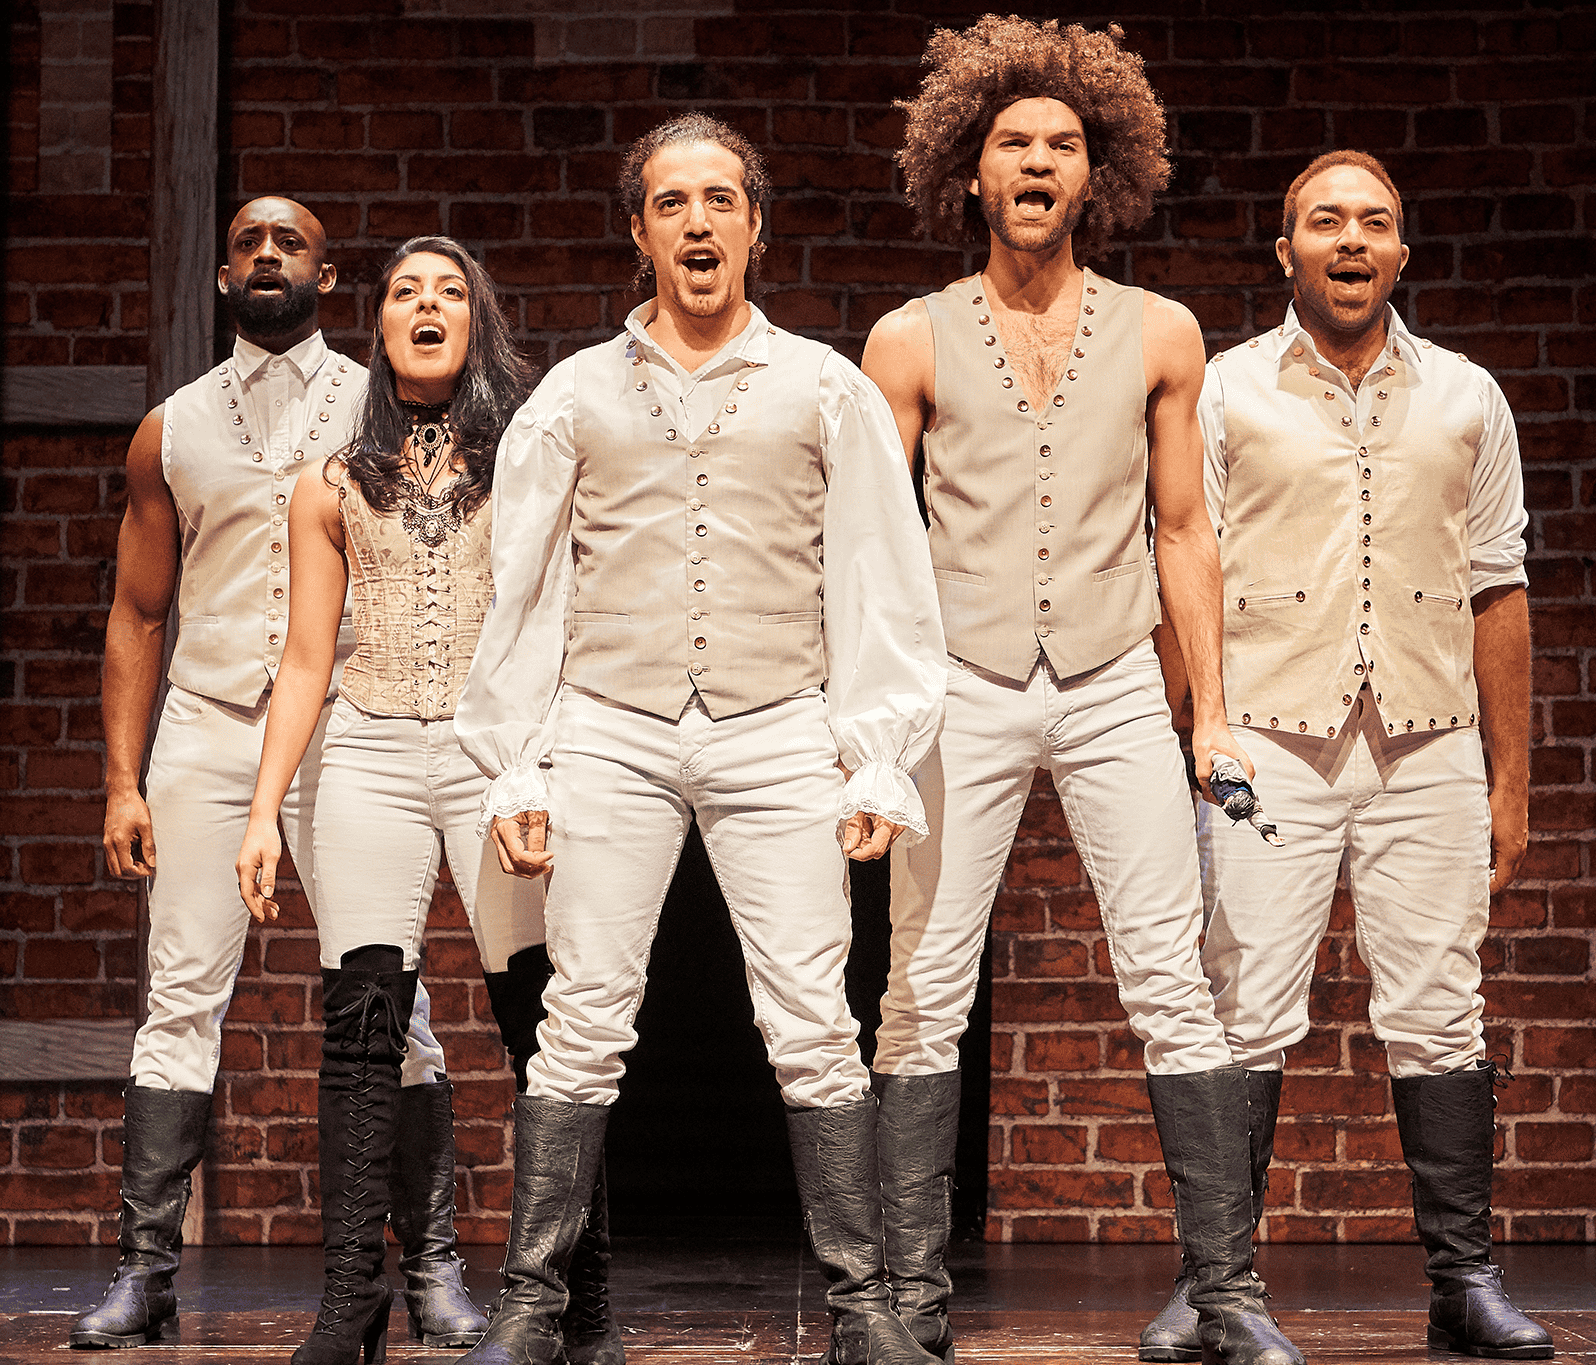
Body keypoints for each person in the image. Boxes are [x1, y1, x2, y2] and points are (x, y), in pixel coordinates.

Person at [451, 113, 949, 1365]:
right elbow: (523, 588)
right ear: (640, 231)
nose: (697, 222)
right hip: (608, 726)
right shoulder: (575, 394)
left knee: (813, 1020)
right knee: (583, 1015)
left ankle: (861, 1308)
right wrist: (518, 760)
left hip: (776, 723)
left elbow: (880, 573)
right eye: (671, 203)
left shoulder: (823, 386)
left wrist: (876, 750)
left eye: (719, 199)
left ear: (754, 227)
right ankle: (531, 1304)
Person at [861, 17, 1294, 1365]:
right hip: (959, 680)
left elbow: (1183, 530)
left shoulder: (1160, 332)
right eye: (1012, 144)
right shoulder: (908, 339)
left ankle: (1225, 1294)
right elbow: (867, 548)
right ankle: (910, 1296)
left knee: (1171, 977)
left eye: (1060, 144)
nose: (1037, 162)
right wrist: (871, 728)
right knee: (923, 982)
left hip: (1108, 677)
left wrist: (1207, 711)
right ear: (970, 171)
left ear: (1095, 173)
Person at [1153, 150, 1552, 1362]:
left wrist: (1510, 782)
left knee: (1439, 1007)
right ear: (1286, 253)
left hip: (1425, 743)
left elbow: (1499, 589)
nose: (1349, 239)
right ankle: (1212, 1287)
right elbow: (1181, 565)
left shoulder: (1466, 397)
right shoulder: (1225, 391)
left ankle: (1463, 1281)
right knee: (1240, 1007)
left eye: (1372, 223)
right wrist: (1189, 734)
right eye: (1324, 222)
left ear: (1399, 254)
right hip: (1267, 741)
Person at [74, 198, 468, 1352]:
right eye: (246, 242)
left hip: (345, 719)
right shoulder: (171, 429)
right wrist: (122, 780)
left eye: (287, 243)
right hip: (207, 723)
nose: (264, 255)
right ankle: (145, 1273)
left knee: (390, 999)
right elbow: (137, 610)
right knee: (179, 994)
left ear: (327, 276)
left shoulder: (380, 403)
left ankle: (431, 1266)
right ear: (220, 274)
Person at [234, 236, 544, 1363]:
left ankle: (564, 1294)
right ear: (380, 326)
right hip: (366, 747)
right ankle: (350, 1296)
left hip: (491, 751)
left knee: (542, 1025)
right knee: (362, 1024)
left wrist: (543, 767)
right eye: (406, 290)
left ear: (477, 321)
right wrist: (263, 809)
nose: (426, 304)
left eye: (450, 291)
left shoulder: (527, 460)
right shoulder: (331, 482)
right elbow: (305, 657)